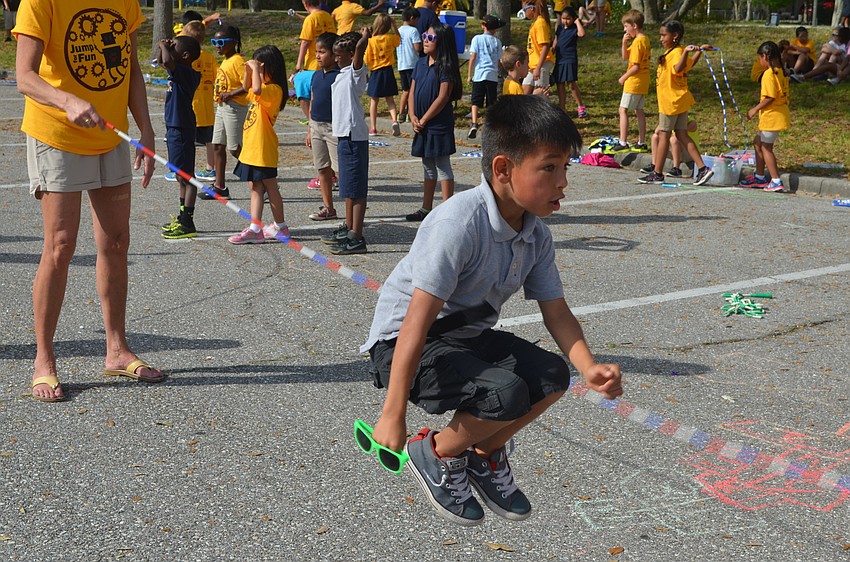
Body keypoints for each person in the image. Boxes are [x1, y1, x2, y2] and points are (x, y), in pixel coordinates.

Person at [361, 95, 624, 526]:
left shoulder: (534, 233)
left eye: (565, 168)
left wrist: (589, 366)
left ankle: (483, 454)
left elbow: (556, 311)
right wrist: (393, 413)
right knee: (504, 392)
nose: (563, 182)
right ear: (503, 169)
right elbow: (415, 321)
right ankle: (435, 452)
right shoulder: (458, 225)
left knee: (553, 375)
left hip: (464, 338)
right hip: (403, 346)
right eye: (549, 167)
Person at [15, 0, 162, 402]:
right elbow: (24, 77)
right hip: (57, 133)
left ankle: (117, 350)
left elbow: (131, 69)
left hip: (110, 133)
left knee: (116, 241)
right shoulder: (40, 2)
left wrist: (146, 130)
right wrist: (67, 101)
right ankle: (44, 359)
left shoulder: (125, 3)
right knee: (60, 245)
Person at [638, 21, 713, 186]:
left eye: (664, 35)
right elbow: (689, 65)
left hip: (671, 102)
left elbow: (679, 68)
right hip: (677, 100)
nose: (661, 38)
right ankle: (702, 169)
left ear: (675, 36)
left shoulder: (678, 52)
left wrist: (686, 51)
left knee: (663, 135)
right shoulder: (674, 51)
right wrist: (699, 50)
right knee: (681, 134)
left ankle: (657, 173)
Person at [227, 46, 290, 243]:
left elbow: (255, 88)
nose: (258, 72)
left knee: (270, 186)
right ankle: (256, 227)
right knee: (255, 186)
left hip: (263, 148)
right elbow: (247, 88)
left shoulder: (274, 90)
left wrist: (255, 69)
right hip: (252, 148)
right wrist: (249, 68)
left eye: (261, 68)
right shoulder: (261, 88)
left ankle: (280, 226)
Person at [405, 22, 462, 222]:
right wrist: (412, 116)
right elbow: (412, 91)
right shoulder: (420, 63)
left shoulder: (445, 67)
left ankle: (448, 210)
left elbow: (443, 96)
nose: (425, 40)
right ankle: (426, 208)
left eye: (430, 38)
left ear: (442, 42)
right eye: (424, 36)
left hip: (438, 124)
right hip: (421, 123)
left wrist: (425, 118)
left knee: (442, 164)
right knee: (427, 164)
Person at [321, 29, 371, 255]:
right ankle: (350, 228)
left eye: (340, 54)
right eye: (335, 53)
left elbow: (360, 49)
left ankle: (357, 237)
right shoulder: (341, 73)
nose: (336, 57)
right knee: (348, 188)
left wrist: (364, 36)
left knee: (357, 189)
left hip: (353, 136)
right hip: (343, 135)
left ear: (351, 55)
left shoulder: (355, 72)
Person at [158, 36, 202, 240]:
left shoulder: (187, 73)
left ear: (185, 55)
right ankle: (182, 215)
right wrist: (164, 48)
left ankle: (188, 220)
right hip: (174, 127)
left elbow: (166, 60)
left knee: (187, 176)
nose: (169, 47)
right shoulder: (178, 69)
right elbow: (162, 61)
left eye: (173, 46)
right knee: (179, 174)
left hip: (182, 128)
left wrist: (161, 45)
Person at [739, 41, 789, 193]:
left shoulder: (768, 74)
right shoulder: (780, 71)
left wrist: (754, 110)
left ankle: (775, 180)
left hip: (772, 117)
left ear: (765, 56)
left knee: (766, 148)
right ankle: (760, 176)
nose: (759, 62)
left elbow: (769, 97)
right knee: (757, 142)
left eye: (760, 58)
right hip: (776, 115)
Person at [205, 25, 248, 200]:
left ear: (233, 42)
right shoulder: (225, 60)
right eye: (214, 41)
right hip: (222, 107)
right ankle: (219, 186)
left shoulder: (238, 61)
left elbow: (247, 86)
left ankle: (262, 181)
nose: (217, 45)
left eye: (221, 42)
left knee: (234, 148)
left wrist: (230, 94)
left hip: (235, 107)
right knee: (217, 145)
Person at [306, 32, 341, 222]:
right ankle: (329, 208)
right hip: (317, 126)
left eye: (322, 52)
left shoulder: (340, 76)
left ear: (335, 54)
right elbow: (312, 100)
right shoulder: (317, 75)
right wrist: (310, 129)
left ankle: (354, 209)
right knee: (322, 169)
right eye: (316, 52)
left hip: (334, 128)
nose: (318, 56)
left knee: (341, 170)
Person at [178, 21, 218, 183]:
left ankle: (184, 169)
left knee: (186, 140)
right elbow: (217, 77)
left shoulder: (185, 58)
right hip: (206, 106)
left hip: (189, 106)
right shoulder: (209, 58)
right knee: (208, 140)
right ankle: (211, 168)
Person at [610, 9, 649, 153]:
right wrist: (624, 43)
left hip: (634, 81)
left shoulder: (639, 42)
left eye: (626, 26)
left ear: (634, 25)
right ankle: (642, 141)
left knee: (623, 110)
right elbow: (626, 57)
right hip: (643, 81)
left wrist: (624, 77)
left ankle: (623, 141)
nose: (625, 29)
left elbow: (636, 66)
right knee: (639, 110)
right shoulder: (643, 39)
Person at [294, 0, 337, 125]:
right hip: (329, 60)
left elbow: (305, 42)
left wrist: (298, 64)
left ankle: (312, 120)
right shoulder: (327, 16)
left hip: (313, 62)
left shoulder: (310, 19)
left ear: (305, 4)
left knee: (304, 90)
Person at [466, 14, 504, 139]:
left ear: (483, 26)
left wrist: (469, 74)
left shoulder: (476, 39)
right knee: (491, 101)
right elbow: (499, 61)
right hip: (492, 75)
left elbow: (473, 57)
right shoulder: (497, 42)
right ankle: (489, 125)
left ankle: (474, 123)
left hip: (479, 74)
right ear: (495, 29)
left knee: (476, 101)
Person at [365, 12, 401, 136]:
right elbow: (398, 40)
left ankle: (373, 127)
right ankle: (395, 120)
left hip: (376, 71)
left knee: (374, 100)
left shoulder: (371, 41)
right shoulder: (390, 38)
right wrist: (395, 27)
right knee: (390, 99)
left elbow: (366, 58)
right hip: (388, 70)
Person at [551, 7, 586, 119]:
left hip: (570, 59)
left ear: (573, 18)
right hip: (559, 59)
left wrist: (577, 22)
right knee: (560, 83)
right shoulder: (560, 27)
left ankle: (581, 107)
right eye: (563, 18)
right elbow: (556, 39)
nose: (565, 21)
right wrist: (553, 48)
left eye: (568, 19)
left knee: (571, 84)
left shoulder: (575, 28)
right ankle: (562, 108)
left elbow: (582, 34)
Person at [521, 0, 555, 95]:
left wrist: (538, 68)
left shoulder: (540, 23)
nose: (524, 13)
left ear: (531, 8)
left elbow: (545, 46)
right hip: (533, 64)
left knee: (540, 93)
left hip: (541, 64)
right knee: (525, 90)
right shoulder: (535, 23)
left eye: (524, 10)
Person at [396, 8, 422, 124]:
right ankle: (411, 112)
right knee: (413, 91)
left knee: (405, 90)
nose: (417, 22)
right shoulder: (413, 31)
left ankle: (401, 114)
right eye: (417, 20)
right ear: (412, 18)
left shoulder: (399, 30)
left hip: (401, 64)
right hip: (412, 64)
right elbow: (417, 48)